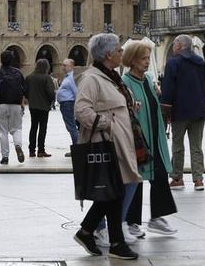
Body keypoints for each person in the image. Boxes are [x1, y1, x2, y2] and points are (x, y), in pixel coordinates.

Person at [72, 34, 140, 260]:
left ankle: (88, 232)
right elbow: (82, 111)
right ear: (108, 54)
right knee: (115, 192)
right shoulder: (91, 79)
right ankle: (115, 242)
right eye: (119, 50)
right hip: (105, 144)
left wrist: (129, 110)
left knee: (113, 193)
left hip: (117, 142)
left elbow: (111, 105)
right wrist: (107, 123)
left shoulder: (110, 76)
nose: (122, 53)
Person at [121, 41, 179, 238]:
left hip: (155, 136)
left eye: (148, 58)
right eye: (143, 58)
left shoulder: (148, 80)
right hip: (138, 139)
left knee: (161, 175)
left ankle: (157, 217)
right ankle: (131, 222)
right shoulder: (125, 82)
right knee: (136, 180)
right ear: (132, 60)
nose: (147, 62)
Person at [161, 34, 205, 191]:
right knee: (197, 146)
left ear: (180, 46)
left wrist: (166, 111)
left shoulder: (173, 63)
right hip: (199, 111)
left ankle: (177, 178)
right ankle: (198, 180)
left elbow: (168, 89)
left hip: (179, 110)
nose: (174, 47)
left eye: (175, 44)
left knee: (177, 145)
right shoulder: (201, 62)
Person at [0, 50, 27, 165]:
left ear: (1, 60)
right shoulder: (18, 73)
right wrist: (22, 104)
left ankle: (5, 157)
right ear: (12, 60)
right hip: (16, 105)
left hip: (2, 105)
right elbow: (23, 90)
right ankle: (18, 145)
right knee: (17, 129)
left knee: (3, 132)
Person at [24, 59, 56, 158]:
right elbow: (51, 92)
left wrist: (30, 99)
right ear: (46, 67)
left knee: (33, 127)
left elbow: (25, 91)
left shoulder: (29, 77)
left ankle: (31, 150)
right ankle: (41, 150)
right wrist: (51, 101)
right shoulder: (47, 78)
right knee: (42, 128)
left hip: (33, 106)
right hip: (44, 107)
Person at [57, 59, 79, 157]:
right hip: (65, 104)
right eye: (63, 65)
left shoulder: (71, 78)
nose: (63, 67)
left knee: (71, 126)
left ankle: (77, 148)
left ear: (71, 66)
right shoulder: (67, 77)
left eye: (65, 65)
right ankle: (76, 147)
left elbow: (76, 92)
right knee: (70, 126)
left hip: (68, 104)